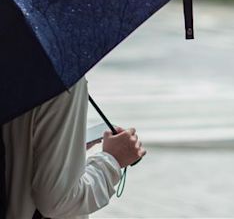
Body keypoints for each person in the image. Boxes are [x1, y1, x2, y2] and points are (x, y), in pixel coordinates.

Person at [1, 77, 146, 219]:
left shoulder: (13, 66)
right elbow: (58, 201)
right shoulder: (60, 82)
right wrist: (112, 160)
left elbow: (16, 145)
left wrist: (65, 148)